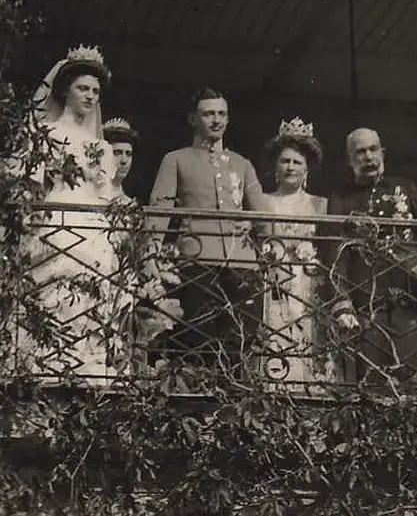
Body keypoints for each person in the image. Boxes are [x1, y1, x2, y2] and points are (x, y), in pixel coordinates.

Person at [12, 45, 132, 382]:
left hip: (93, 222)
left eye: (95, 91)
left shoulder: (103, 148)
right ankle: (46, 363)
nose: (91, 96)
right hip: (56, 215)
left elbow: (107, 194)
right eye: (83, 88)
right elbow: (30, 186)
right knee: (63, 262)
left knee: (102, 268)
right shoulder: (45, 134)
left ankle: (88, 365)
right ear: (65, 89)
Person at [146, 87, 268, 373]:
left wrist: (253, 225)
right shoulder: (176, 159)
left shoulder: (242, 163)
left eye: (222, 114)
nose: (216, 120)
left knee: (239, 337)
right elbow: (160, 210)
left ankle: (232, 404)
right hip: (197, 258)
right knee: (198, 336)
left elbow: (262, 213)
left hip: (241, 260)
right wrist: (150, 253)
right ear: (193, 119)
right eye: (208, 113)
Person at [324, 127, 417, 383]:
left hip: (408, 298)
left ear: (383, 152)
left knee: (410, 373)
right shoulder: (340, 198)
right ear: (350, 160)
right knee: (371, 378)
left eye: (373, 149)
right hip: (366, 301)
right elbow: (335, 252)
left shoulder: (405, 187)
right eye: (360, 152)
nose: (368, 157)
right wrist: (341, 301)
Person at [257, 117, 331, 386]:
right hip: (273, 280)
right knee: (275, 332)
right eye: (285, 161)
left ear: (306, 169)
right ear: (275, 167)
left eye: (297, 162)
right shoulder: (263, 201)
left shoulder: (320, 204)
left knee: (308, 335)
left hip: (308, 280)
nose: (290, 167)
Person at [100, 117, 138, 202]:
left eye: (128, 154)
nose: (124, 161)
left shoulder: (128, 202)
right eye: (117, 153)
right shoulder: (91, 197)